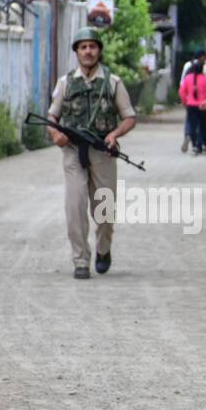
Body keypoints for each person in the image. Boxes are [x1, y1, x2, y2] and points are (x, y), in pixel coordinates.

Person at [47, 27, 137, 279]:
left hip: (102, 152)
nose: (88, 51)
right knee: (74, 206)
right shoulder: (65, 83)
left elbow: (129, 117)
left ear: (99, 50)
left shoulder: (113, 82)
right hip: (74, 152)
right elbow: (51, 116)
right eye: (83, 47)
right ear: (76, 51)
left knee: (105, 210)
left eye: (92, 46)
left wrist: (114, 135)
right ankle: (80, 260)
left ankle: (103, 249)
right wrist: (56, 135)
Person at [179, 50, 206, 155]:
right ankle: (201, 144)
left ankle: (194, 145)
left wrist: (185, 101)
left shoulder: (188, 78)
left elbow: (181, 91)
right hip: (202, 106)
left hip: (191, 105)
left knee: (193, 126)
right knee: (202, 126)